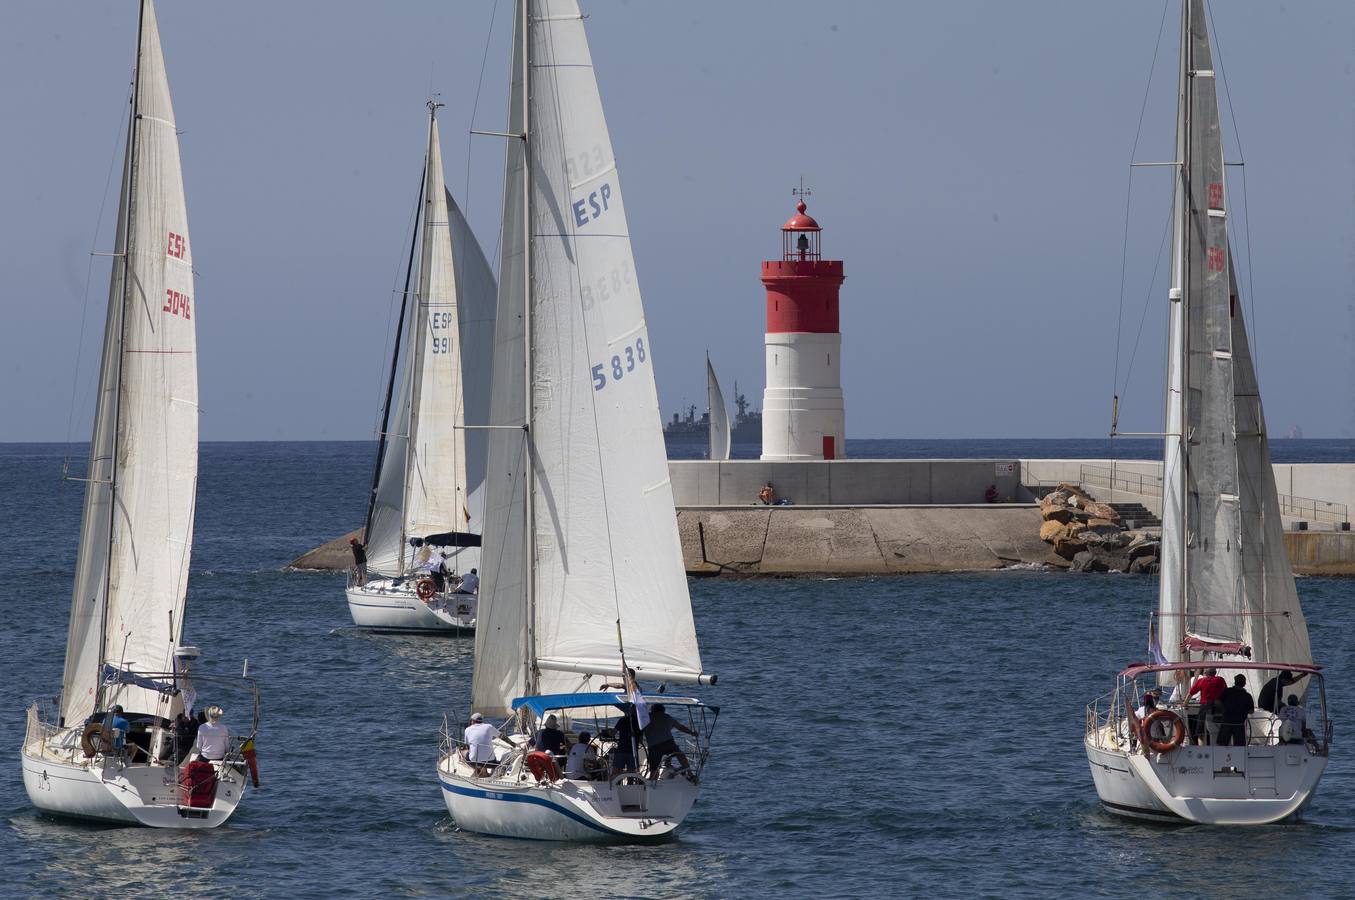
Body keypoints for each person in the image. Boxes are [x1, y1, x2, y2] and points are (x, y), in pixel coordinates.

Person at [643, 703, 697, 777]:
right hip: (668, 743)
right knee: (679, 754)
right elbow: (680, 727)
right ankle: (690, 773)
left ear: (652, 710)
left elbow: (642, 729)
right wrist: (692, 733)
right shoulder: (667, 717)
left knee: (654, 768)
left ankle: (652, 780)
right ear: (663, 710)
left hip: (654, 745)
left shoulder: (647, 717)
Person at [1187, 668, 1227, 745]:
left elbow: (1191, 693)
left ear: (1205, 673)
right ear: (1215, 673)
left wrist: (1185, 704)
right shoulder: (1220, 680)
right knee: (1218, 727)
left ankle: (1202, 747)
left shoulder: (1201, 681)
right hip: (1218, 707)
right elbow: (1225, 692)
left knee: (1201, 730)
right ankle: (1218, 745)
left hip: (1205, 707)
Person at [1217, 674, 1255, 747]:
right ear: (1244, 684)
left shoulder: (1227, 691)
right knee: (1239, 746)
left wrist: (1224, 709)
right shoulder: (1247, 696)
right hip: (1239, 724)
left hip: (1226, 721)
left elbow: (1217, 701)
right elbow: (1251, 711)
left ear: (1235, 682)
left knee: (1222, 745)